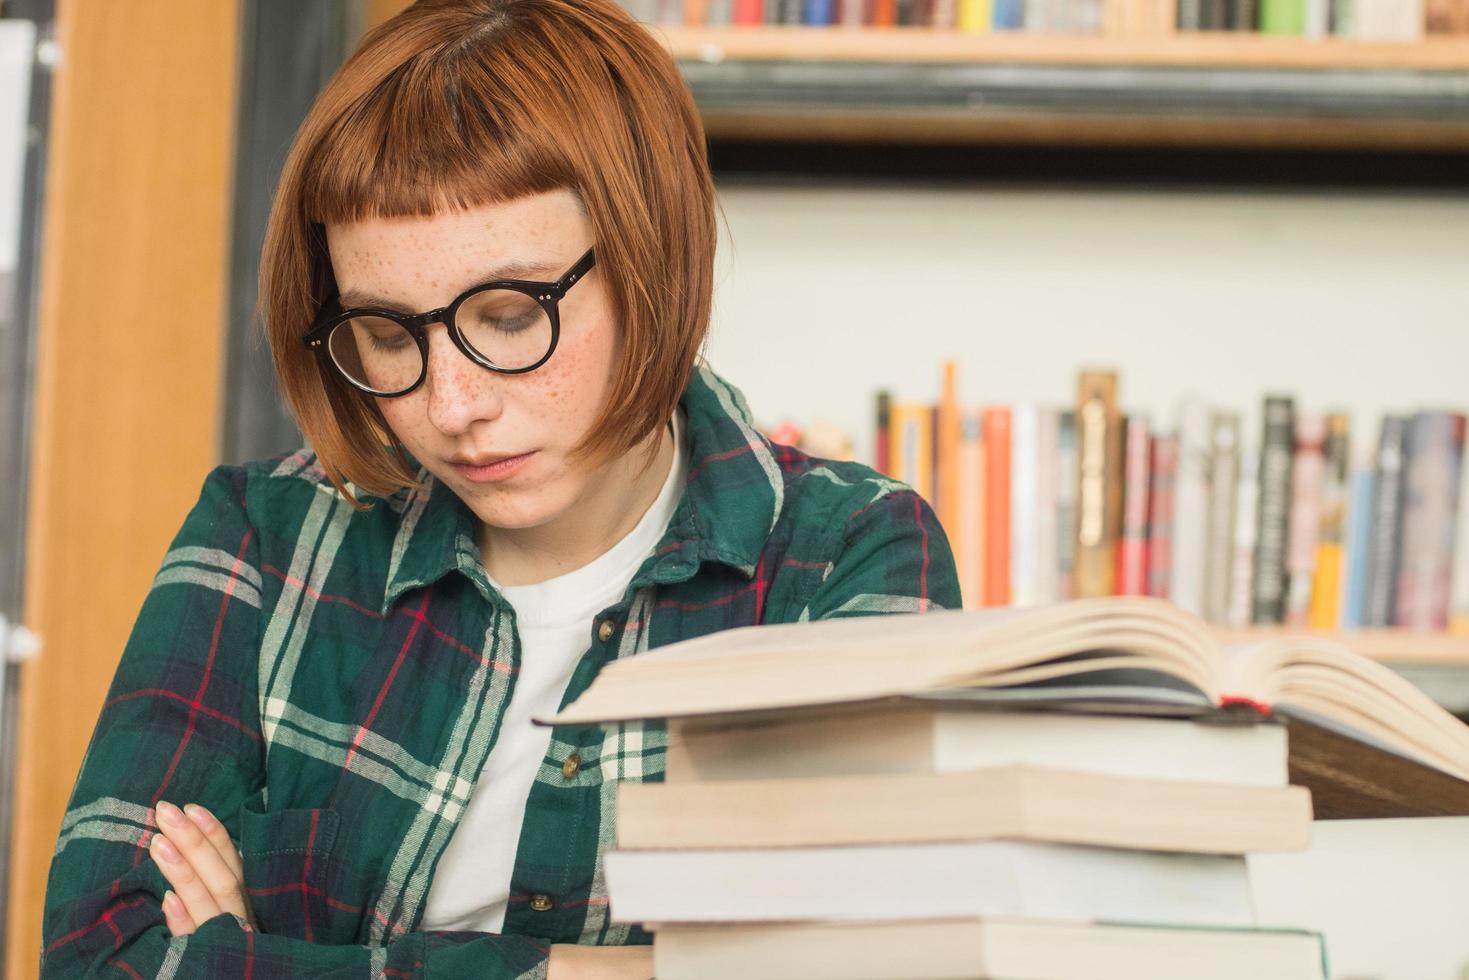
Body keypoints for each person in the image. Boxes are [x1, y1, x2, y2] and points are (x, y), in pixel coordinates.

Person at [38, 0, 959, 976]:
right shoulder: (266, 539)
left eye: (510, 315)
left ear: (652, 256)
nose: (450, 403)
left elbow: (872, 964)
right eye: (389, 335)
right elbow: (103, 960)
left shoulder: (845, 553)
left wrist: (260, 957)